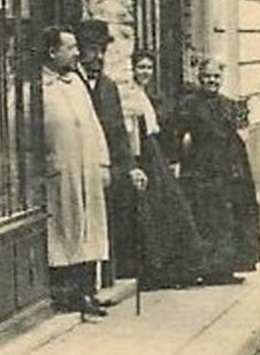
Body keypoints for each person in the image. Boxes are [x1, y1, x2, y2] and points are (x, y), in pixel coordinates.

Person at [117, 50, 208, 288]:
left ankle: (176, 270)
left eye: (148, 68)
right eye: (140, 67)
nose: (145, 72)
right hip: (143, 155)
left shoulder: (147, 95)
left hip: (154, 152)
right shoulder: (129, 96)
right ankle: (157, 272)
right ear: (132, 69)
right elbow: (130, 133)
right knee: (155, 213)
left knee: (171, 209)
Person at [41, 26, 111, 318]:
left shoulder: (77, 82)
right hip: (60, 170)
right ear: (52, 52)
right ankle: (67, 294)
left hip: (87, 167)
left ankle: (87, 291)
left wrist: (103, 163)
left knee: (88, 226)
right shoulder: (38, 87)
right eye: (70, 48)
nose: (77, 53)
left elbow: (94, 124)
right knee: (64, 230)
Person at [172, 57, 260, 284]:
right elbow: (178, 134)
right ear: (200, 79)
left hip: (228, 169)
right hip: (201, 169)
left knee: (227, 220)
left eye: (216, 77)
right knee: (205, 218)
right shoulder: (189, 104)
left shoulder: (228, 104)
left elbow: (237, 134)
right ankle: (204, 268)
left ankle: (225, 268)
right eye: (207, 77)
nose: (212, 81)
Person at [75, 20, 148, 287]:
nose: (99, 57)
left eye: (102, 51)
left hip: (107, 166)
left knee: (105, 223)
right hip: (79, 162)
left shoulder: (107, 85)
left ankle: (103, 280)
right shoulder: (73, 81)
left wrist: (129, 166)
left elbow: (117, 131)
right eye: (93, 50)